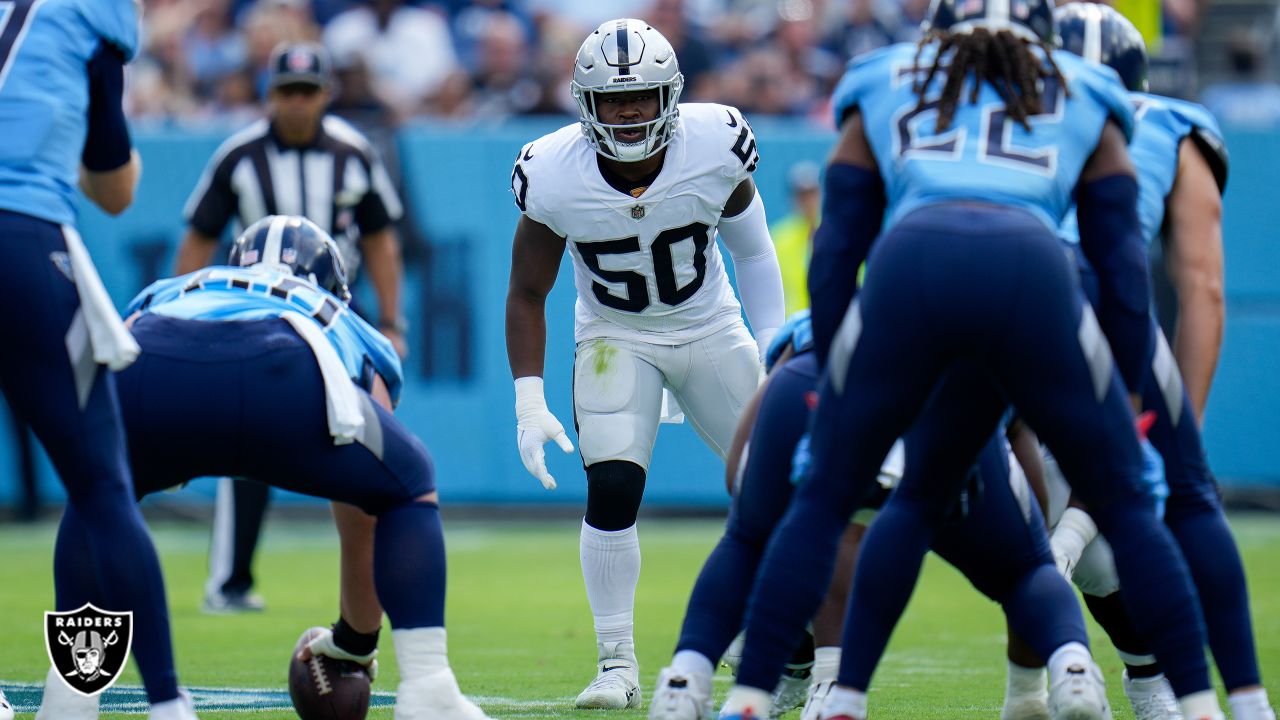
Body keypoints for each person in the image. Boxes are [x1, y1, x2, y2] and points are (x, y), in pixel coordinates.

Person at [717, 0, 1229, 716]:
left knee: (845, 501)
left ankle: (804, 687)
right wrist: (1132, 410)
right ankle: (1194, 696)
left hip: (920, 298)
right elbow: (1145, 276)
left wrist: (836, 372)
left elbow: (838, 250)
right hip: (1048, 301)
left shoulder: (890, 82)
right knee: (1123, 516)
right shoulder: (1118, 111)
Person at [80, 215, 485, 720]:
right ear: (335, 285)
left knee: (96, 498)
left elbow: (112, 352)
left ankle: (75, 692)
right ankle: (429, 688)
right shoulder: (338, 313)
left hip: (154, 364)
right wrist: (355, 642)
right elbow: (369, 506)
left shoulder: (174, 287)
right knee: (408, 483)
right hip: (283, 368)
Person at [504, 18, 785, 710]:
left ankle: (790, 640)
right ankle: (615, 664)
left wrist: (774, 343)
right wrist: (528, 399)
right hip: (615, 336)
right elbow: (526, 291)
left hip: (711, 327)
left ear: (672, 95)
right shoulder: (552, 172)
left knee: (770, 487)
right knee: (614, 490)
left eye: (642, 98)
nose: (629, 113)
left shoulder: (714, 142)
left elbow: (753, 250)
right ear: (585, 103)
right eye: (613, 100)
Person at [648, 312, 1097, 720]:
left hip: (818, 381)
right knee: (1026, 570)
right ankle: (1071, 668)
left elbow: (741, 470)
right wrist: (1027, 557)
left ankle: (688, 681)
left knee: (754, 538)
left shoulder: (835, 309)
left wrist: (758, 520)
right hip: (950, 401)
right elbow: (1032, 500)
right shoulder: (1004, 321)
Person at [1038, 6, 1275, 720]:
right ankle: (1240, 700)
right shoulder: (1170, 124)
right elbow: (1203, 286)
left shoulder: (1011, 117)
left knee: (995, 503)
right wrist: (1185, 433)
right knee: (1184, 497)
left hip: (997, 309)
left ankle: (834, 683)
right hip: (1108, 316)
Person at [0, 1, 194, 718]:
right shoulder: (88, 12)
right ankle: (167, 703)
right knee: (103, 487)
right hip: (19, 239)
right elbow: (114, 188)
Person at [174, 41, 407, 614]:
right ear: (268, 95)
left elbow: (380, 238)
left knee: (361, 434)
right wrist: (189, 311)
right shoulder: (239, 155)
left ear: (326, 93)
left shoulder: (354, 152)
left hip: (337, 316)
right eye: (286, 92)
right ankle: (230, 580)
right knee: (244, 435)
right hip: (260, 314)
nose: (298, 104)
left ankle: (368, 583)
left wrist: (393, 319)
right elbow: (200, 235)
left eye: (307, 92)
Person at [770, 163, 821, 315]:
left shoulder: (835, 233)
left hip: (830, 323)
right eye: (802, 196)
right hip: (793, 326)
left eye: (812, 194)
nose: (808, 201)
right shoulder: (780, 237)